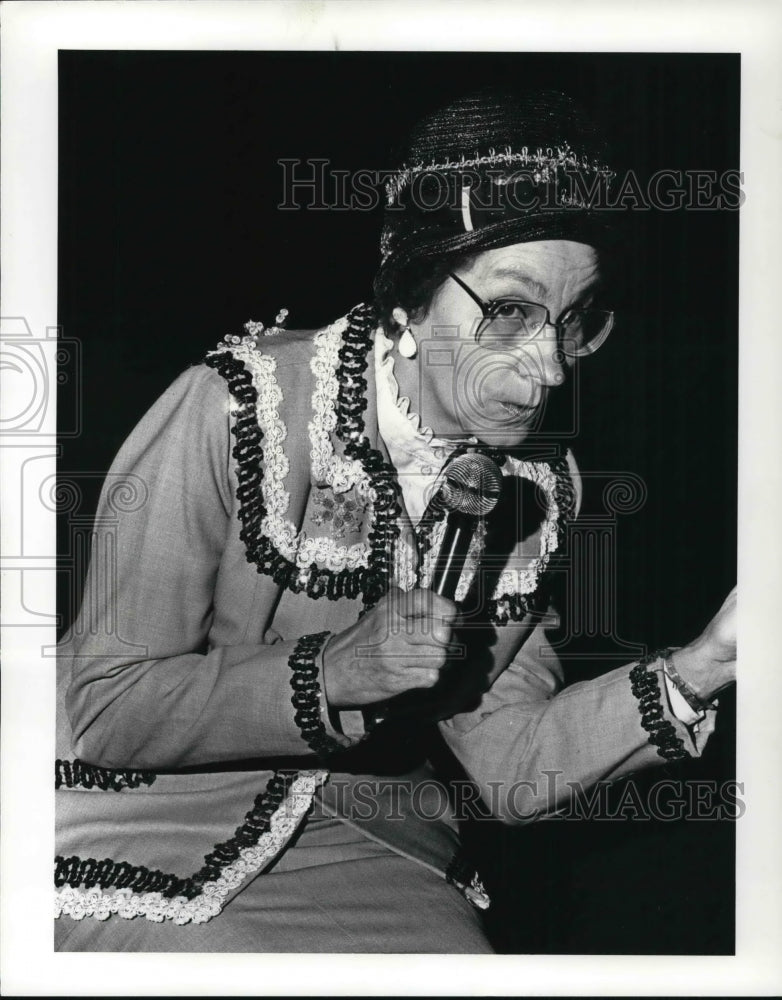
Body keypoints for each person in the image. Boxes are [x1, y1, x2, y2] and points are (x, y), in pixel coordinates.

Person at [54, 88, 736, 953]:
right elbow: (109, 710)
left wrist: (706, 664)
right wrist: (337, 668)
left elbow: (512, 769)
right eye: (511, 312)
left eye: (575, 322)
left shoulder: (536, 490)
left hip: (374, 837)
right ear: (407, 304)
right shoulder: (239, 411)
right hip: (149, 823)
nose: (551, 370)